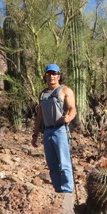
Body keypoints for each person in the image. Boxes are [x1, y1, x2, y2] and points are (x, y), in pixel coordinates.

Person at [31, 64, 76, 194]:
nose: (52, 76)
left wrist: (69, 117)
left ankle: (67, 191)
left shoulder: (65, 91)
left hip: (60, 130)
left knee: (64, 163)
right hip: (47, 131)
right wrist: (35, 135)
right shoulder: (43, 94)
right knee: (52, 165)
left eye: (54, 74)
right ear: (46, 76)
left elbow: (73, 109)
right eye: (49, 74)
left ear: (59, 76)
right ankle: (58, 191)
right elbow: (39, 115)